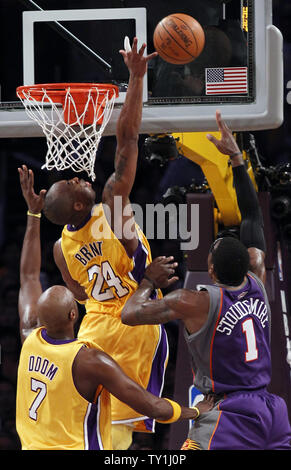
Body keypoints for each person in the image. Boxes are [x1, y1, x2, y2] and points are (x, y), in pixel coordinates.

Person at [121, 111, 291, 450]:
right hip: (273, 411)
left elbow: (129, 314)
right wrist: (238, 160)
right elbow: (253, 216)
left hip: (226, 412)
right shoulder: (257, 280)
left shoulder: (193, 301)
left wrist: (148, 281)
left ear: (210, 271)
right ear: (248, 265)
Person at [15, 165, 214, 451]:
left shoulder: (31, 340)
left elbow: (28, 276)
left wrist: (34, 214)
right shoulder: (88, 360)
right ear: (75, 314)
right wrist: (197, 411)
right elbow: (156, 407)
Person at [42, 38, 169, 450]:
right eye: (75, 181)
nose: (81, 175)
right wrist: (135, 78)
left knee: (93, 433)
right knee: (120, 437)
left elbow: (77, 293)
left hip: (93, 330)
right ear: (80, 203)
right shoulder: (113, 207)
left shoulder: (61, 247)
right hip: (134, 320)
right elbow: (128, 140)